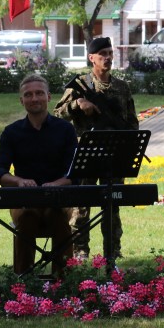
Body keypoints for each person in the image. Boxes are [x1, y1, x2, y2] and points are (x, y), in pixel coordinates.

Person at [53, 36, 138, 260]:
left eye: (110, 53)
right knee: (82, 204)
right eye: (103, 54)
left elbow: (131, 121)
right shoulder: (81, 85)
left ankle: (113, 251)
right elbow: (57, 114)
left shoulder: (121, 87)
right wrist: (77, 104)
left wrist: (129, 146)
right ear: (92, 58)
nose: (108, 58)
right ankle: (80, 251)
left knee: (112, 205)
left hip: (115, 153)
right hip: (87, 153)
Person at [0, 74, 78, 278]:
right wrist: (19, 181)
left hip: (58, 199)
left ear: (48, 97)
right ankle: (23, 282)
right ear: (21, 100)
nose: (34, 98)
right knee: (28, 218)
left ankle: (64, 281)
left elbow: (74, 173)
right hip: (24, 202)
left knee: (58, 217)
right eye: (28, 95)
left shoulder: (66, 130)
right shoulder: (11, 132)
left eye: (39, 93)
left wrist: (56, 184)